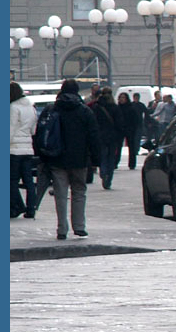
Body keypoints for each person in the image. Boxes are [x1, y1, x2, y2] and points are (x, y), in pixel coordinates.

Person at [35, 79, 101, 240]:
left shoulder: (52, 109)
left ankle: (62, 228)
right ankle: (79, 226)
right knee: (79, 191)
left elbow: (40, 133)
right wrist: (96, 159)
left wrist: (42, 155)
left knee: (60, 193)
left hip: (56, 158)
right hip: (79, 159)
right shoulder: (84, 111)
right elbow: (93, 136)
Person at [10, 81, 37, 219]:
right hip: (28, 148)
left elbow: (10, 129)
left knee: (12, 180)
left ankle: (18, 206)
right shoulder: (31, 107)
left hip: (14, 149)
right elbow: (33, 130)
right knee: (28, 181)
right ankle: (31, 208)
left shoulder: (13, 107)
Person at [91, 86, 121, 189]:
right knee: (111, 157)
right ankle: (109, 177)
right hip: (113, 136)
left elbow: (93, 122)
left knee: (103, 155)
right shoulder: (115, 107)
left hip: (101, 135)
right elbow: (119, 123)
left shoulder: (97, 107)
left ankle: (103, 173)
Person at [126, 93, 147, 168]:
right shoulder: (132, 105)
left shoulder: (141, 105)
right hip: (133, 125)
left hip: (139, 124)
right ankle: (135, 150)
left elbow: (146, 112)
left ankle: (136, 150)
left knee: (137, 138)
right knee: (134, 139)